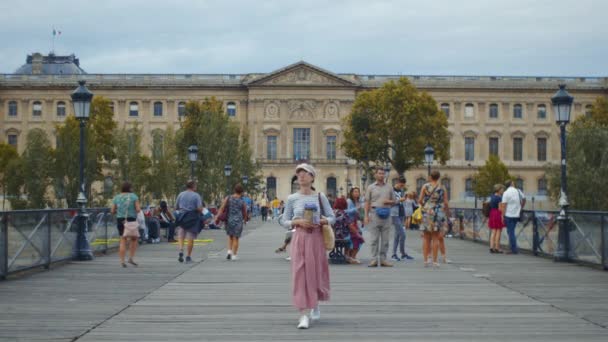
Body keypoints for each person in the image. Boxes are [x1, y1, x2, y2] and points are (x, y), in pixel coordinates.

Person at [282, 163, 335, 329]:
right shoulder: (292, 198)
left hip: (316, 239)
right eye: (299, 174)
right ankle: (303, 314)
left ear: (312, 177)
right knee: (299, 274)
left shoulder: (320, 196)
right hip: (299, 238)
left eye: (305, 173)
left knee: (315, 273)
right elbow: (283, 221)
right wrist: (297, 221)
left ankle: (315, 303)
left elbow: (332, 217)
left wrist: (322, 221)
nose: (301, 176)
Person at [364, 167, 396, 267]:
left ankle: (383, 259)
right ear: (376, 175)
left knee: (385, 239)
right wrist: (366, 216)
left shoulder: (389, 187)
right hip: (374, 213)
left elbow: (394, 201)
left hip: (386, 214)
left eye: (383, 173)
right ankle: (374, 259)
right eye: (380, 173)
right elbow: (367, 202)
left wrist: (389, 202)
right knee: (374, 239)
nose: (382, 175)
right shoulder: (370, 187)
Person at [418, 170, 450, 268]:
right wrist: (446, 212)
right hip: (438, 212)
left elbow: (419, 200)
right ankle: (435, 261)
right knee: (435, 237)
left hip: (427, 211)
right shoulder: (442, 187)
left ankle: (426, 260)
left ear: (430, 177)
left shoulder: (425, 186)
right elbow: (446, 203)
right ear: (438, 177)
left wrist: (426, 206)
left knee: (426, 237)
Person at [111, 181, 141, 268]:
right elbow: (138, 209)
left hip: (120, 219)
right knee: (134, 239)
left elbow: (112, 211)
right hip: (131, 220)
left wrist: (120, 211)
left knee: (122, 240)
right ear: (130, 188)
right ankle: (131, 258)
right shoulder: (133, 196)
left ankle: (122, 261)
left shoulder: (116, 197)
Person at [175, 181, 203, 263]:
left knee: (181, 235)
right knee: (190, 237)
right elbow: (199, 208)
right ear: (193, 186)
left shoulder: (181, 194)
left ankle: (180, 250)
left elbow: (176, 206)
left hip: (182, 217)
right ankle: (188, 256)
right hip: (192, 218)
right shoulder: (196, 195)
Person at [218, 183, 248, 261]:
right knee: (236, 238)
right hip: (238, 220)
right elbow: (245, 212)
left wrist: (217, 217)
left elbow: (222, 207)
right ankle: (234, 255)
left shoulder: (228, 198)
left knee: (230, 237)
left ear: (234, 190)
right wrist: (245, 220)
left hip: (229, 220)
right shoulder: (242, 201)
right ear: (241, 192)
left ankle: (229, 252)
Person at [391, 177, 414, 261]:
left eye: (403, 185)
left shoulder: (402, 191)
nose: (401, 187)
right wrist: (400, 200)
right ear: (397, 182)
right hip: (394, 214)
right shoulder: (391, 190)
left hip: (401, 213)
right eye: (401, 185)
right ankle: (402, 253)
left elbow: (402, 201)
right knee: (403, 234)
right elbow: (390, 202)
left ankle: (394, 254)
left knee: (397, 235)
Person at [500, 180, 525, 254]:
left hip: (509, 215)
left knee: (510, 232)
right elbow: (524, 199)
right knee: (511, 231)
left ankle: (513, 249)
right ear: (511, 184)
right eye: (513, 183)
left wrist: (502, 216)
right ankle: (512, 247)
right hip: (517, 214)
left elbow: (504, 205)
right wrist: (521, 207)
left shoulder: (505, 193)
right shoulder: (518, 191)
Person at [345, 187, 365, 263]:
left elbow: (360, 212)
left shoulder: (358, 201)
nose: (356, 193)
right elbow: (345, 211)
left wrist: (362, 219)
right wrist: (355, 209)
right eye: (355, 192)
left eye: (357, 192)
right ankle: (350, 256)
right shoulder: (349, 201)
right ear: (351, 193)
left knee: (357, 239)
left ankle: (351, 256)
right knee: (356, 239)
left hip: (356, 223)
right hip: (350, 224)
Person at [488, 184, 506, 253]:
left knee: (493, 231)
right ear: (499, 190)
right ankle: (497, 248)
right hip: (497, 214)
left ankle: (491, 247)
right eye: (502, 189)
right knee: (498, 231)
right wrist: (502, 217)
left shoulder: (492, 196)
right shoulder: (499, 198)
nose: (503, 191)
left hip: (492, 213)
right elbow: (500, 208)